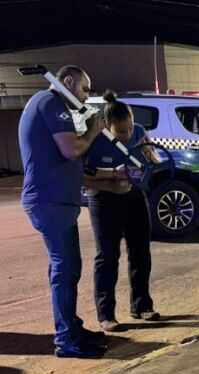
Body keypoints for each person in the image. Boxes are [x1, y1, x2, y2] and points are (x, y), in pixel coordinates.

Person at [19, 65, 107, 358]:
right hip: (50, 202)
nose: (87, 96)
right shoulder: (50, 102)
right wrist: (94, 129)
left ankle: (72, 329)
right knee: (64, 270)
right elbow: (72, 149)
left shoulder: (55, 107)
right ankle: (66, 341)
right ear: (68, 81)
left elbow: (67, 157)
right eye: (85, 89)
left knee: (68, 269)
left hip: (57, 201)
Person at [83, 91, 161, 332]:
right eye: (121, 132)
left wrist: (151, 155)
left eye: (129, 129)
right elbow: (83, 176)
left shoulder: (138, 131)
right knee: (107, 256)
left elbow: (153, 161)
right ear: (107, 125)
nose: (127, 135)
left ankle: (142, 305)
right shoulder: (94, 138)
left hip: (134, 196)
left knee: (140, 251)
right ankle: (106, 315)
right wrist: (113, 178)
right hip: (104, 200)